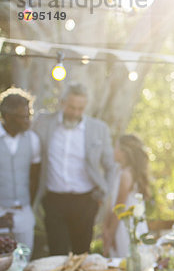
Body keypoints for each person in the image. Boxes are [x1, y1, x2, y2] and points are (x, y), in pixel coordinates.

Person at [33, 83, 116, 255]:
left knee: (82, 254)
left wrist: (103, 193)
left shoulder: (98, 129)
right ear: (62, 103)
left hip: (85, 200)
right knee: (57, 253)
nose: (76, 113)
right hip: (54, 199)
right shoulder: (43, 122)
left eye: (80, 108)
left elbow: (110, 166)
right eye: (72, 107)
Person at [0, 88, 40, 254]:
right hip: (1, 210)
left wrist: (27, 204)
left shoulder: (33, 140)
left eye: (29, 115)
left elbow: (35, 177)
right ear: (8, 117)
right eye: (23, 117)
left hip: (24, 212)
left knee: (24, 262)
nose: (27, 121)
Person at [102, 134, 150, 258]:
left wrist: (110, 234)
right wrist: (105, 226)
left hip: (126, 227)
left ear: (124, 152)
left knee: (127, 261)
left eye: (116, 147)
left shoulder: (127, 175)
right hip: (118, 224)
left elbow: (120, 207)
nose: (114, 151)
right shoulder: (119, 171)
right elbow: (111, 203)